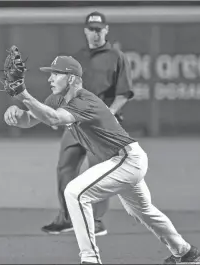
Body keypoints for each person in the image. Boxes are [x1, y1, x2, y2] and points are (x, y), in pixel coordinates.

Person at [3, 55, 200, 264]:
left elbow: (54, 118)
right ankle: (186, 252)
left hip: (125, 160)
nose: (50, 79)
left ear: (71, 79)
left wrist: (23, 94)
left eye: (55, 74)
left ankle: (90, 259)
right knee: (144, 211)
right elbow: (30, 119)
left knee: (75, 192)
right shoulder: (57, 99)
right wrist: (16, 113)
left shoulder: (84, 100)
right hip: (122, 161)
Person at [41, 11, 134, 235]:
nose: (95, 33)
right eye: (91, 29)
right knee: (65, 167)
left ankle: (96, 220)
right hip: (75, 122)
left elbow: (124, 93)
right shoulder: (76, 59)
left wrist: (109, 112)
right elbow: (66, 90)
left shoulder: (117, 57)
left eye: (99, 29)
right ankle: (67, 218)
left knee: (98, 172)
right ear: (85, 31)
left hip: (101, 126)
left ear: (106, 30)